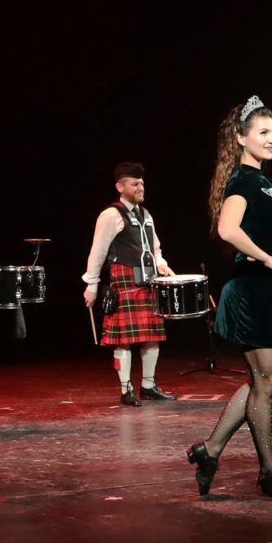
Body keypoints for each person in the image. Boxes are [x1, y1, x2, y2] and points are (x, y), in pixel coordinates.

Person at [187, 95, 272, 499]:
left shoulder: (267, 183)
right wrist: (267, 257)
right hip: (251, 290)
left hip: (270, 290)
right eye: (263, 132)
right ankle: (269, 472)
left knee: (269, 381)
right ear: (240, 137)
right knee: (265, 382)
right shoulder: (242, 182)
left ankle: (210, 450)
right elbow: (227, 229)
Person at [83, 162, 178, 406]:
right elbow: (98, 251)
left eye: (142, 183)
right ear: (120, 187)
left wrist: (161, 263)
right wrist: (91, 285)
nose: (141, 187)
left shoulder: (146, 214)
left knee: (152, 335)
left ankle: (148, 386)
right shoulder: (110, 215)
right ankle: (126, 390)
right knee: (123, 339)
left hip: (148, 281)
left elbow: (155, 247)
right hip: (124, 280)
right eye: (135, 184)